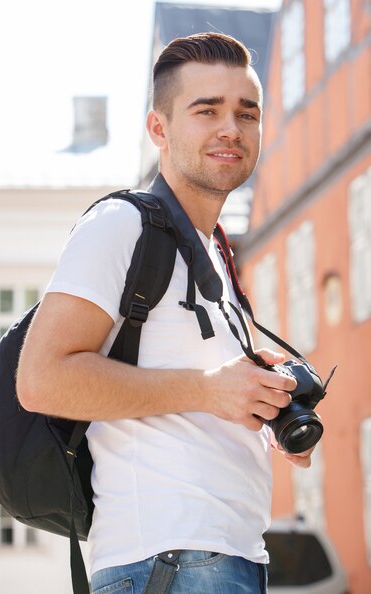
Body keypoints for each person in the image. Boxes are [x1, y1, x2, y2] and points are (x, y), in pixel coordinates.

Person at [17, 32, 314, 594]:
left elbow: (205, 401)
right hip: (168, 558)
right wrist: (209, 390)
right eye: (207, 111)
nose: (231, 127)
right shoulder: (121, 225)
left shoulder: (215, 254)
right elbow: (41, 380)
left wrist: (266, 409)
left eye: (246, 113)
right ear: (159, 128)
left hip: (231, 554)